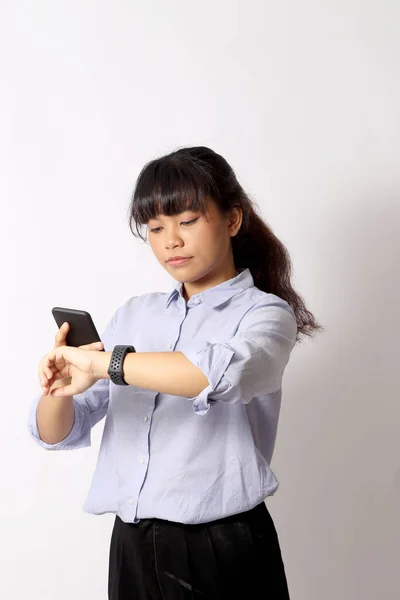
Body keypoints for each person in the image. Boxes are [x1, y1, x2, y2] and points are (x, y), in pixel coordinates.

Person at [28, 146, 323, 599]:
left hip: (221, 545)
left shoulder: (265, 314)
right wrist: (59, 388)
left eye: (187, 221)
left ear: (231, 220)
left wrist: (106, 363)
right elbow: (55, 433)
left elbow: (218, 375)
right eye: (156, 227)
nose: (171, 241)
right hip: (131, 546)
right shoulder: (134, 315)